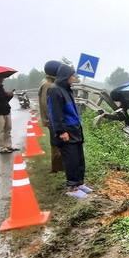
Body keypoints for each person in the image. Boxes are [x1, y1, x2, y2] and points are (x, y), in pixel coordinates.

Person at [47, 64, 92, 198]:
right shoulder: (54, 90)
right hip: (66, 130)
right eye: (72, 75)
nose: (74, 78)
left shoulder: (66, 89)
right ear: (65, 76)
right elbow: (55, 113)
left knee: (79, 158)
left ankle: (79, 183)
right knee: (71, 159)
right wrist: (61, 131)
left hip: (75, 129)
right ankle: (72, 187)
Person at [38, 60, 64, 173]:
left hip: (52, 119)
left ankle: (58, 166)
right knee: (56, 143)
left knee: (57, 142)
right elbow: (47, 104)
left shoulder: (47, 83)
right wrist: (56, 119)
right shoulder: (48, 85)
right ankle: (57, 168)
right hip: (52, 120)